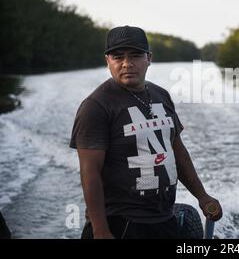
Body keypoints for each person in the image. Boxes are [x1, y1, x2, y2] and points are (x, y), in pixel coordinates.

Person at [70, 25, 222, 239]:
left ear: (149, 58)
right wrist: (100, 230)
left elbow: (176, 151)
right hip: (120, 223)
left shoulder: (161, 95)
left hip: (162, 218)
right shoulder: (96, 106)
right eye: (118, 56)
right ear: (108, 61)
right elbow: (89, 172)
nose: (127, 63)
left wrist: (202, 196)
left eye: (135, 55)